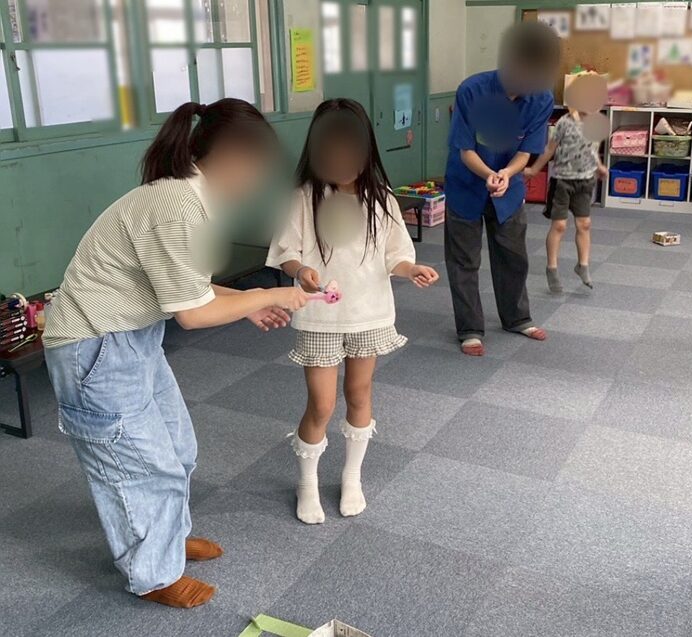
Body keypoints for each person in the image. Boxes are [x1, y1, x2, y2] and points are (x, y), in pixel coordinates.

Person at [43, 99, 307, 608]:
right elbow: (192, 314)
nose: (257, 181)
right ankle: (153, 574)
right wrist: (271, 294)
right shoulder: (176, 204)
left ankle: (165, 540)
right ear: (230, 156)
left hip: (132, 337)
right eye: (257, 167)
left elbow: (190, 287)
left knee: (178, 450)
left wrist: (249, 303)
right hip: (94, 345)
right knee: (139, 466)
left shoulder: (188, 198)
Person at [267, 98, 438, 525]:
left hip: (369, 314)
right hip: (320, 320)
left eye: (350, 154)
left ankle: (351, 476)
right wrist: (301, 270)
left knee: (359, 395)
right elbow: (286, 251)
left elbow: (395, 255)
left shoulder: (382, 199)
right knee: (321, 405)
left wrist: (411, 269)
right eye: (332, 155)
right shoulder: (304, 198)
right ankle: (307, 483)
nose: (341, 164)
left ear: (366, 153)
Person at [444, 21, 560, 357]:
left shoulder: (541, 98)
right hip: (467, 184)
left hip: (508, 188)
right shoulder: (472, 90)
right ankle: (469, 328)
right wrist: (489, 174)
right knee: (464, 260)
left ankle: (517, 318)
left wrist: (507, 174)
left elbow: (527, 151)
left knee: (513, 256)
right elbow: (465, 150)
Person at [525, 108, 608, 293]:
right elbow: (550, 149)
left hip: (585, 181)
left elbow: (592, 149)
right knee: (559, 226)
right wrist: (534, 169)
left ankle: (583, 265)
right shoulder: (564, 122)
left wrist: (600, 167)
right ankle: (552, 268)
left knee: (584, 224)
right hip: (562, 181)